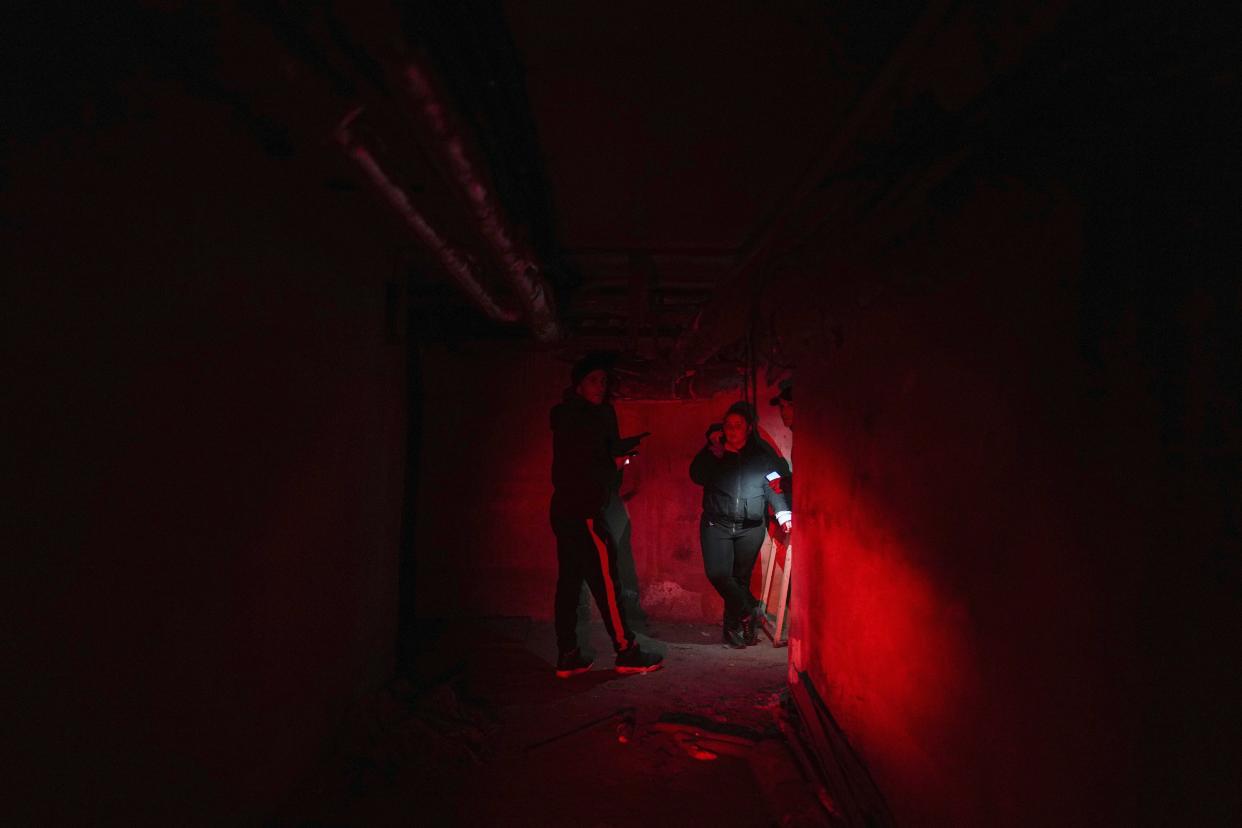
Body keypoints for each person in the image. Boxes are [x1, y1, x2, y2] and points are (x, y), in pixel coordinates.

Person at [549, 353, 663, 677]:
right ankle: (626, 650)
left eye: (603, 380)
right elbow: (581, 465)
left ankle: (568, 655)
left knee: (570, 582)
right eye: (594, 380)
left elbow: (584, 459)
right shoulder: (583, 419)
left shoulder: (574, 417)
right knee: (606, 581)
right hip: (583, 510)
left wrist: (614, 458)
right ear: (579, 385)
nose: (601, 386)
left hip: (567, 509)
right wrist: (613, 464)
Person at [690, 401, 792, 648]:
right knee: (719, 574)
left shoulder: (762, 455)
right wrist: (711, 449)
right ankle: (749, 612)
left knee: (740, 578)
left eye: (738, 426)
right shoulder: (716, 452)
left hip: (750, 526)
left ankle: (735, 627)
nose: (732, 430)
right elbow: (697, 475)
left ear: (749, 428)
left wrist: (783, 514)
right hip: (717, 524)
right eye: (728, 425)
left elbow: (774, 485)